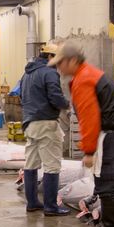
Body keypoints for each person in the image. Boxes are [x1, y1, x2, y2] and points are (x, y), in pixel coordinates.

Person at [49, 41, 114, 227]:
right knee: (110, 182)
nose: (58, 67)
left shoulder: (84, 79)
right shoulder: (88, 74)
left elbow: (90, 118)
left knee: (106, 183)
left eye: (60, 63)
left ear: (72, 61)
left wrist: (88, 151)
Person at [19, 44, 70, 216]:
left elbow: (21, 96)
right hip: (46, 124)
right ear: (50, 57)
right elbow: (55, 97)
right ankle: (51, 206)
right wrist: (67, 105)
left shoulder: (27, 73)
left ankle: (32, 203)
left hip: (30, 123)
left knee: (31, 163)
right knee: (52, 166)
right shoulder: (49, 72)